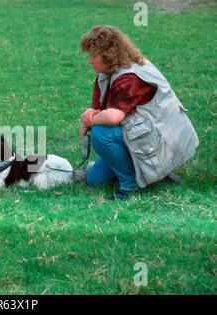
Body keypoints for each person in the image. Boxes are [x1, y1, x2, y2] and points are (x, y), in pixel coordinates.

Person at [79, 25, 199, 200]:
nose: (89, 61)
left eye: (93, 56)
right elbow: (99, 110)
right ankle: (146, 172)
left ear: (108, 55)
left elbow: (113, 117)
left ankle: (130, 185)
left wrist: (89, 120)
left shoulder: (130, 77)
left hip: (163, 143)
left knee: (100, 133)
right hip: (144, 138)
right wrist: (90, 113)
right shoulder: (106, 74)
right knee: (94, 180)